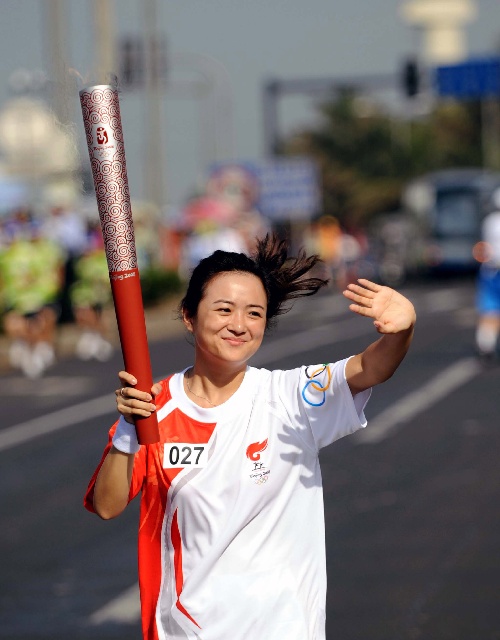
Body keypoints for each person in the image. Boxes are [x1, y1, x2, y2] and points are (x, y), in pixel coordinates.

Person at [84, 234, 416, 640]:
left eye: (254, 313)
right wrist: (126, 432)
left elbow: (370, 368)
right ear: (189, 315)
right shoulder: (154, 408)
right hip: (185, 630)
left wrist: (400, 332)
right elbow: (107, 505)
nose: (239, 325)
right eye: (224, 309)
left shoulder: (290, 397)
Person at [474, 188, 500, 362]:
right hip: (493, 271)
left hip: (490, 270)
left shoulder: (489, 221)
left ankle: (486, 344)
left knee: (490, 309)